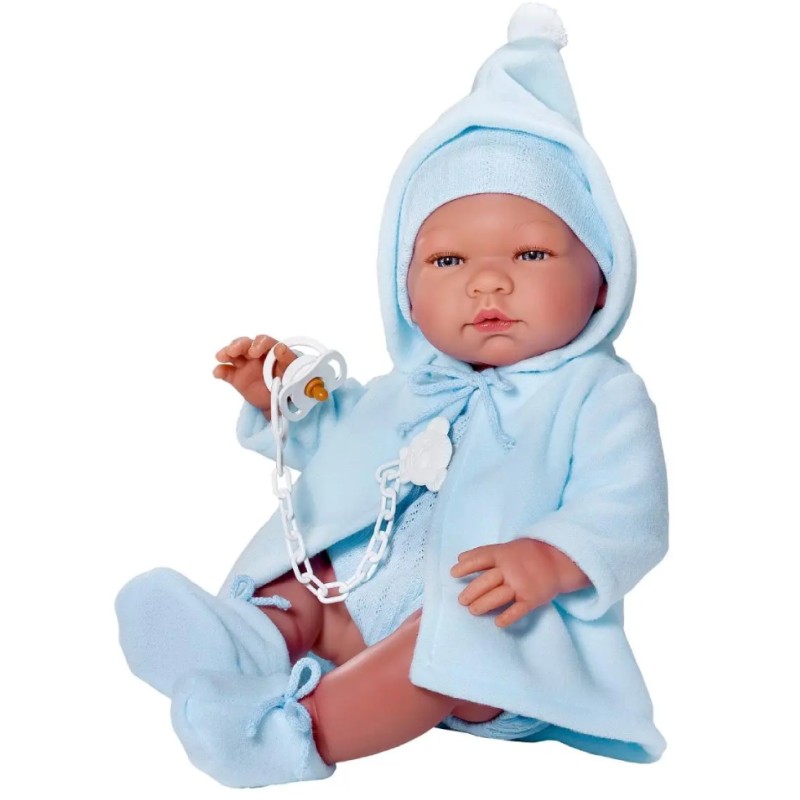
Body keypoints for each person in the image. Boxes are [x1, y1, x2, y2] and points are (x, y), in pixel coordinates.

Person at [116, 3, 668, 788]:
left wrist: (551, 557)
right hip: (354, 613)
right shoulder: (411, 386)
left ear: (604, 278)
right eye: (447, 262)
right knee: (303, 580)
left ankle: (295, 730)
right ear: (404, 291)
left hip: (498, 650)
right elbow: (341, 444)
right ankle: (239, 644)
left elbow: (629, 507)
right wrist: (282, 400)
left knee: (448, 637)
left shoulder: (598, 395)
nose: (488, 281)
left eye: (531, 253)